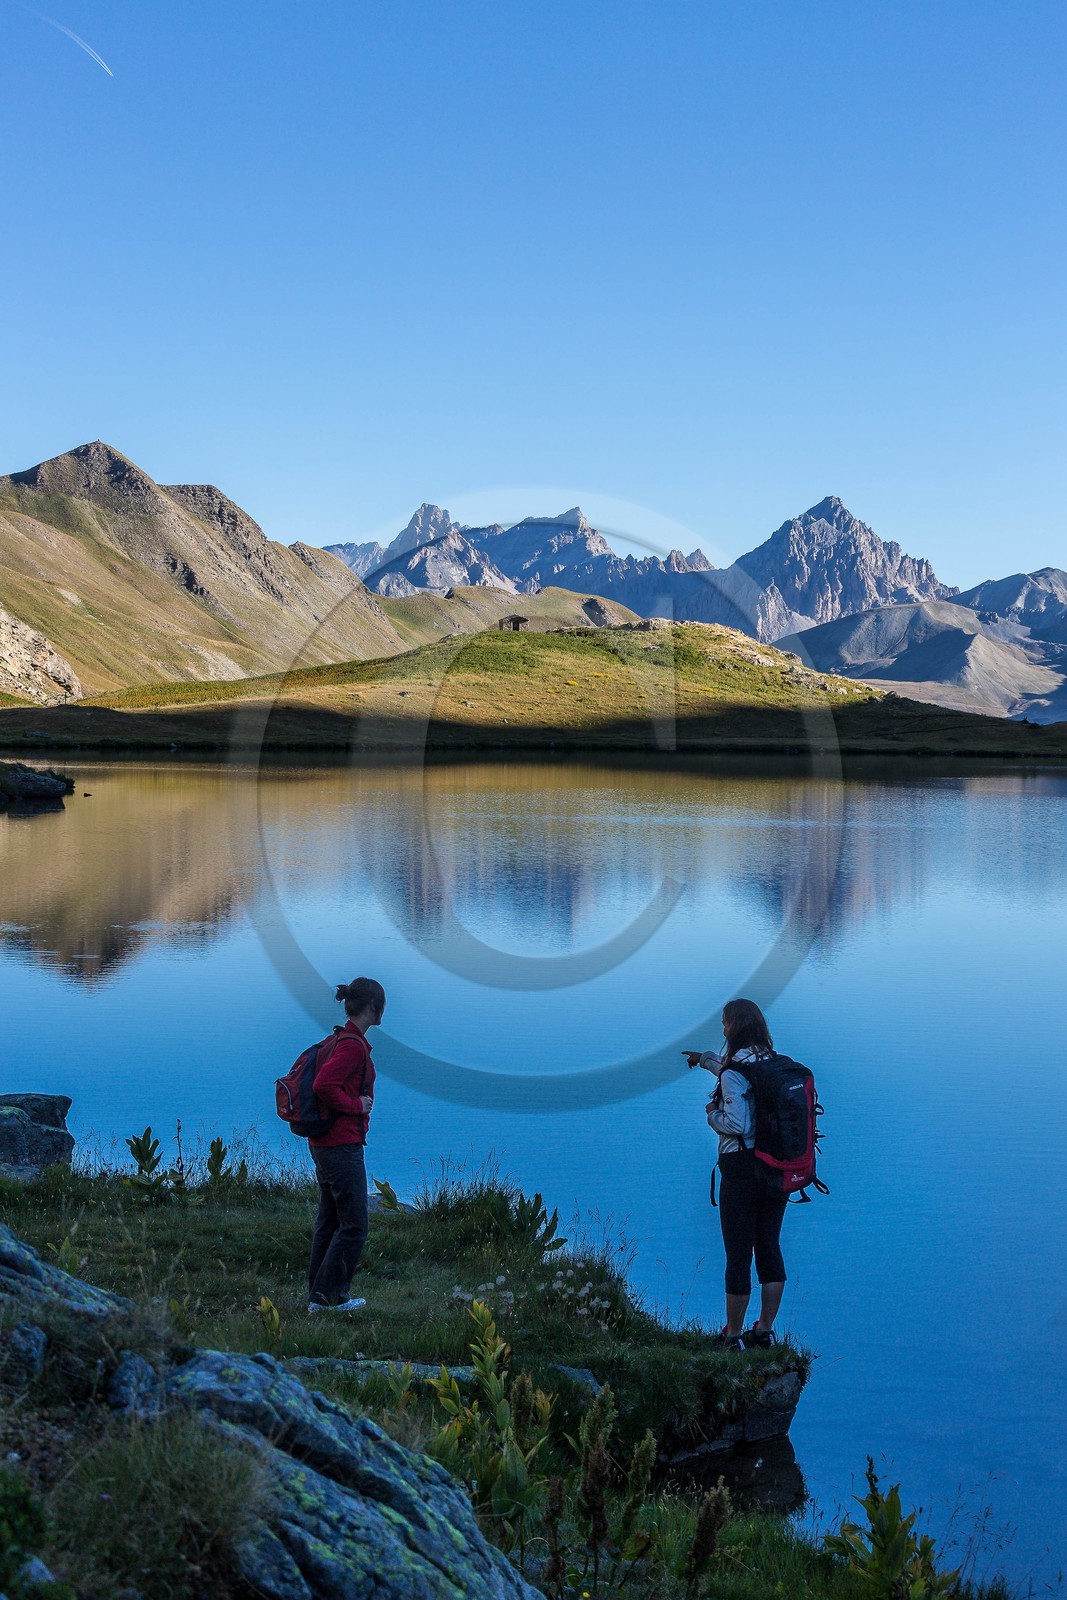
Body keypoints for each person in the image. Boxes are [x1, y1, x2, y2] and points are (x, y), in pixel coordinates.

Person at [685, 998, 787, 1351]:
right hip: (776, 1168)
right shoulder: (772, 1063)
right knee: (769, 1246)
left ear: (735, 1027)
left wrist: (711, 1113)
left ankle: (733, 1335)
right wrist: (704, 1060)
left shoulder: (734, 1071)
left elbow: (736, 1122)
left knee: (738, 1253)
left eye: (725, 1023)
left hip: (741, 1171)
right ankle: (764, 1331)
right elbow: (729, 1071)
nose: (723, 1028)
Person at [306, 976, 385, 1314]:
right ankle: (329, 1299)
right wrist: (357, 1106)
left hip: (324, 1143)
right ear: (372, 1007)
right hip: (341, 1145)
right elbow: (324, 1086)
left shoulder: (340, 1039)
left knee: (330, 1220)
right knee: (354, 1225)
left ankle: (318, 1296)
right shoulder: (351, 1046)